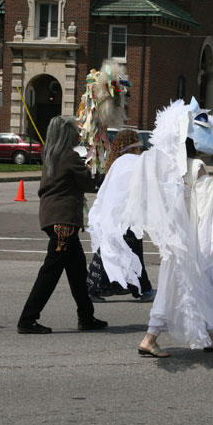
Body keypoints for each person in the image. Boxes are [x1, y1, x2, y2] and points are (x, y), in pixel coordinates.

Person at [88, 99, 213, 357]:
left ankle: (208, 337)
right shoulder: (195, 167)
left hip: (176, 236)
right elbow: (211, 197)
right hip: (186, 238)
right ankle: (151, 338)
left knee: (196, 285)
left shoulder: (169, 168)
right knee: (179, 288)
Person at [17, 116, 108, 334]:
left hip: (56, 218)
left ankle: (86, 317)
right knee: (51, 271)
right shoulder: (68, 157)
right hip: (63, 220)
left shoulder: (53, 155)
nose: (79, 135)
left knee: (77, 271)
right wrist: (100, 166)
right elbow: (88, 182)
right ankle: (27, 319)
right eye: (75, 132)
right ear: (67, 135)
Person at [86, 129, 156, 303]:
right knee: (131, 252)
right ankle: (142, 289)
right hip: (128, 216)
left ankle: (101, 286)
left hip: (113, 215)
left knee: (112, 250)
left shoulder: (118, 162)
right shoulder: (135, 162)